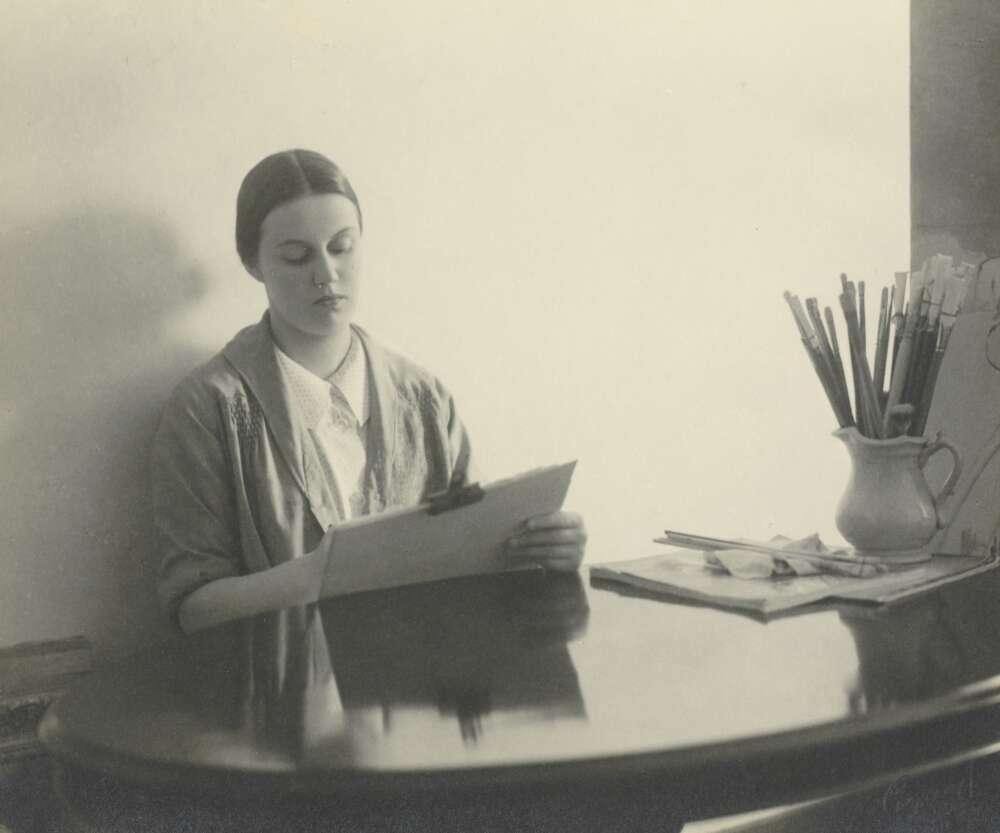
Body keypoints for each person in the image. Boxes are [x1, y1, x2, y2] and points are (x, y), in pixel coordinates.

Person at [153, 149, 587, 633]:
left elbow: (474, 558)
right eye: (296, 256)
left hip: (422, 687)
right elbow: (192, 606)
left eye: (341, 248)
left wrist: (540, 549)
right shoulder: (208, 408)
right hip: (282, 694)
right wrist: (320, 574)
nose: (326, 274)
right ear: (253, 263)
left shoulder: (423, 397)